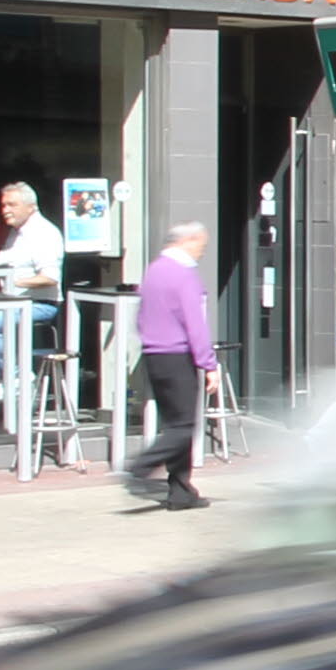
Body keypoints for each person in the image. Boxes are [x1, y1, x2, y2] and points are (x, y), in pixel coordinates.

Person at [125, 219, 219, 511]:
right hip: (177, 355)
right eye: (200, 246)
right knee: (183, 427)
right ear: (187, 241)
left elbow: (141, 316)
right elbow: (195, 323)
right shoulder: (183, 274)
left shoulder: (154, 270)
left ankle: (180, 491)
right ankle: (141, 467)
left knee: (175, 423)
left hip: (154, 355)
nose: (201, 252)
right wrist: (208, 363)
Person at [0, 181, 68, 423]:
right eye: (3, 204)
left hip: (38, 304)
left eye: (12, 204)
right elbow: (7, 268)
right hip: (12, 302)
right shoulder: (17, 234)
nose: (5, 209)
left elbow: (49, 278)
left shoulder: (43, 234)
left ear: (30, 206)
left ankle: (19, 375)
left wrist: (15, 282)